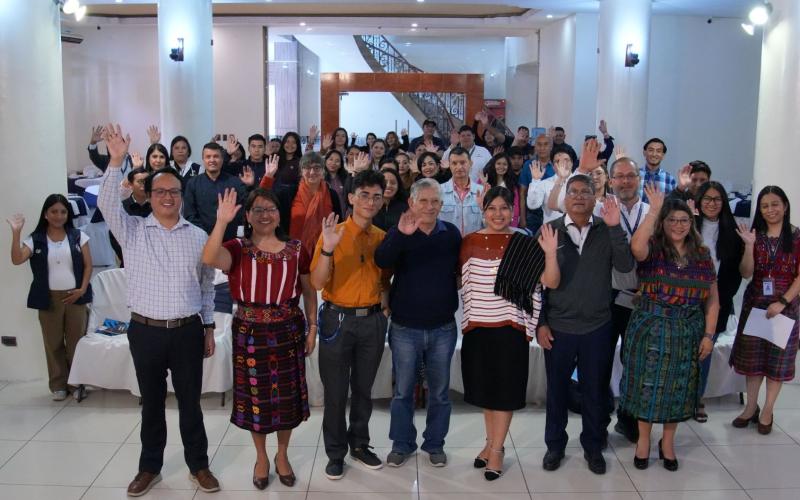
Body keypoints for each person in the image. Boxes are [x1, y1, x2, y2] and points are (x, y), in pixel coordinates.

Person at [98, 124, 220, 496]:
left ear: (182, 195)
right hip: (145, 331)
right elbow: (105, 203)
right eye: (160, 191)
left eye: (174, 191)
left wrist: (210, 327)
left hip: (186, 330)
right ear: (148, 195)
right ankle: (150, 466)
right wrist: (116, 160)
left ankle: (198, 465)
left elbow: (205, 288)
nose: (168, 197)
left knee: (190, 405)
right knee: (151, 404)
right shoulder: (132, 230)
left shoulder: (199, 236)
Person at [202, 187, 317, 490]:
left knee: (287, 399)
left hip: (288, 330)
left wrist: (313, 328)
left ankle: (282, 455)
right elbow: (210, 256)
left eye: (271, 209)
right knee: (257, 400)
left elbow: (308, 291)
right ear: (248, 216)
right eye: (258, 210)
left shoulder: (296, 248)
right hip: (250, 334)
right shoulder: (237, 247)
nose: (265, 215)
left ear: (279, 214)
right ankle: (261, 457)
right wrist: (221, 221)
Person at [459, 186, 560, 480]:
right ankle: (490, 444)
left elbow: (550, 282)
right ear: (483, 209)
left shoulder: (524, 243)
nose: (498, 214)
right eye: (492, 208)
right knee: (486, 392)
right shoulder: (468, 243)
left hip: (510, 329)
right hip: (478, 329)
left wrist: (551, 255)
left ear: (513, 210)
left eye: (504, 208)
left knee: (504, 392)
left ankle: (498, 450)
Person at [537, 174, 634, 475]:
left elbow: (626, 266)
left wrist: (617, 227)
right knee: (557, 391)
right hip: (558, 326)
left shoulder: (607, 229)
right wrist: (541, 323)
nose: (579, 197)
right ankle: (555, 445)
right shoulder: (548, 231)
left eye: (585, 192)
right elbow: (537, 285)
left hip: (597, 326)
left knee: (594, 390)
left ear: (595, 197)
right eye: (573, 192)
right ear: (565, 198)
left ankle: (593, 446)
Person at [619, 188, 719, 471]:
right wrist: (653, 210)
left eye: (684, 220)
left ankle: (668, 443)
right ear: (663, 223)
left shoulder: (702, 255)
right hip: (651, 329)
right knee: (646, 389)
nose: (678, 225)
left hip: (687, 331)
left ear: (691, 223)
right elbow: (635, 249)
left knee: (678, 390)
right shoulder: (653, 248)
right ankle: (643, 442)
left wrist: (709, 336)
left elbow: (713, 301)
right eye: (672, 220)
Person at [374, 178, 463, 467]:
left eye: (435, 201)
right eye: (423, 201)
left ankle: (435, 443)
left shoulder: (450, 234)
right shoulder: (399, 231)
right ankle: (402, 444)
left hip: (443, 327)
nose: (429, 206)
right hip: (404, 328)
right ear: (411, 203)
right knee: (402, 392)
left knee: (439, 392)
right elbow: (381, 260)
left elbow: (459, 273)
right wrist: (400, 235)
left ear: (441, 204)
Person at [309, 169, 391, 480]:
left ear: (382, 201)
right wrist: (328, 247)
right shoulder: (333, 232)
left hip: (371, 321)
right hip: (336, 320)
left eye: (376, 196)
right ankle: (335, 453)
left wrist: (384, 307)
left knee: (363, 389)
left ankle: (359, 445)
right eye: (364, 195)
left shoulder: (383, 238)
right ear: (352, 197)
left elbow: (386, 280)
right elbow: (317, 282)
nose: (370, 201)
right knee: (335, 391)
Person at [8, 195, 93, 401]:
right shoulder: (36, 238)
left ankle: (76, 384)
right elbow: (17, 259)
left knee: (76, 342)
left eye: (63, 212)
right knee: (52, 342)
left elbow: (88, 265)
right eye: (54, 211)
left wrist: (81, 290)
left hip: (75, 297)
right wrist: (16, 233)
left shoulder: (78, 236)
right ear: (46, 214)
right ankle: (58, 385)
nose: (59, 216)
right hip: (48, 298)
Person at [730, 186, 800, 435]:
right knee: (753, 362)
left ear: (785, 206)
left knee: (777, 364)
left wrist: (783, 301)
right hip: (755, 305)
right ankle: (751, 408)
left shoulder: (797, 236)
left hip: (786, 307)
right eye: (765, 206)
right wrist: (748, 246)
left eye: (775, 204)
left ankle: (768, 409)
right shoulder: (754, 235)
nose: (770, 210)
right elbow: (746, 273)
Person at [606, 158, 649, 443]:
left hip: (643, 297)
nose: (625, 181)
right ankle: (598, 417)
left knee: (635, 360)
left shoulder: (652, 212)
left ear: (639, 179)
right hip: (608, 297)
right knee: (600, 358)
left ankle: (629, 419)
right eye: (619, 177)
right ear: (610, 182)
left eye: (630, 176)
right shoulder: (602, 211)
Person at [694, 181, 743, 422]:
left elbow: (735, 274)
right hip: (688, 299)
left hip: (717, 302)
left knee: (705, 351)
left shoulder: (732, 234)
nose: (712, 203)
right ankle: (679, 397)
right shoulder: (688, 225)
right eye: (707, 199)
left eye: (717, 199)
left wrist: (721, 300)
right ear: (699, 201)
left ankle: (697, 400)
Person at [260, 152, 343, 258]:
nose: (312, 172)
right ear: (301, 171)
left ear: (323, 171)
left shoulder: (332, 195)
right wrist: (268, 176)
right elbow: (261, 201)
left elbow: (340, 225)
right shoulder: (289, 194)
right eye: (307, 168)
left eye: (317, 168)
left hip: (325, 253)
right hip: (293, 254)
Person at [184, 142, 251, 242]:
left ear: (222, 159)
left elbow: (245, 208)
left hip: (230, 239)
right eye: (208, 157)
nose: (212, 160)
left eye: (216, 156)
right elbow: (190, 215)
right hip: (202, 239)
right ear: (203, 159)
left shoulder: (235, 182)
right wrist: (206, 235)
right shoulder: (193, 183)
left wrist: (249, 186)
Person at [439, 147, 483, 236]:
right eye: (454, 163)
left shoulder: (482, 191)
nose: (459, 167)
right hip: (447, 244)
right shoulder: (439, 191)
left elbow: (488, 224)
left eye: (463, 162)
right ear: (449, 165)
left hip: (474, 245)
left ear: (471, 163)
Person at [519, 134, 556, 231]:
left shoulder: (556, 166)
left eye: (545, 144)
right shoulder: (528, 165)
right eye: (539, 144)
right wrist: (522, 218)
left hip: (552, 212)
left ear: (551, 147)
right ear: (535, 146)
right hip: (532, 214)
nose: (542, 148)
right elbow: (522, 193)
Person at [482, 153, 522, 228]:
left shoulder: (512, 185)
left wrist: (513, 226)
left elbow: (515, 208)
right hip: (487, 225)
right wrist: (483, 184)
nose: (501, 167)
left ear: (508, 167)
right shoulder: (484, 180)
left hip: (508, 225)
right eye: (498, 164)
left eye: (504, 164)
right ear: (493, 165)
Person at [639, 138, 676, 203]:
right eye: (651, 150)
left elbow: (672, 206)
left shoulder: (670, 179)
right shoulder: (635, 175)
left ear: (663, 155)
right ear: (644, 153)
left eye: (658, 151)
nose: (654, 154)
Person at [373, 167, 408, 232]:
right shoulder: (370, 205)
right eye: (384, 182)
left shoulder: (405, 208)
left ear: (398, 186)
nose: (388, 185)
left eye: (393, 183)